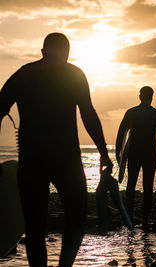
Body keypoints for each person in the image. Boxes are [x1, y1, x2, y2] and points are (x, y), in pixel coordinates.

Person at [0, 33, 113, 267]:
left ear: (44, 51)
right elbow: (88, 115)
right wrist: (103, 152)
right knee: (76, 218)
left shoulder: (25, 73)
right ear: (67, 53)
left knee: (34, 227)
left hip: (33, 160)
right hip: (66, 159)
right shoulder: (73, 74)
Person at [115, 86, 156, 227]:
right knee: (148, 186)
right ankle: (144, 220)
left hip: (134, 153)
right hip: (150, 153)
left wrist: (118, 153)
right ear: (152, 97)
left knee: (131, 185)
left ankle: (129, 219)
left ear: (140, 96)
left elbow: (121, 134)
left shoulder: (131, 112)